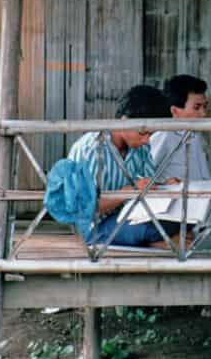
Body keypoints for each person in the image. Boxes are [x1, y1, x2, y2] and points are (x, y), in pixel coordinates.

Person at [65, 85, 180, 247]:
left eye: (152, 135)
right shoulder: (90, 149)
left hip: (130, 217)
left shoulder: (141, 147)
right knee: (155, 228)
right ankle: (158, 243)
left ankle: (157, 242)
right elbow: (81, 209)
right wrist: (128, 192)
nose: (147, 140)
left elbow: (145, 185)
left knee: (184, 218)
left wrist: (165, 186)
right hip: (94, 228)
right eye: (143, 133)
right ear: (124, 121)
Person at [150, 74, 211, 181]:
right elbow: (142, 177)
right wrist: (164, 184)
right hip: (176, 196)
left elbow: (205, 177)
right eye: (196, 107)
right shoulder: (165, 135)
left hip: (202, 194)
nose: (203, 113)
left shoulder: (196, 136)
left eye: (205, 106)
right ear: (175, 110)